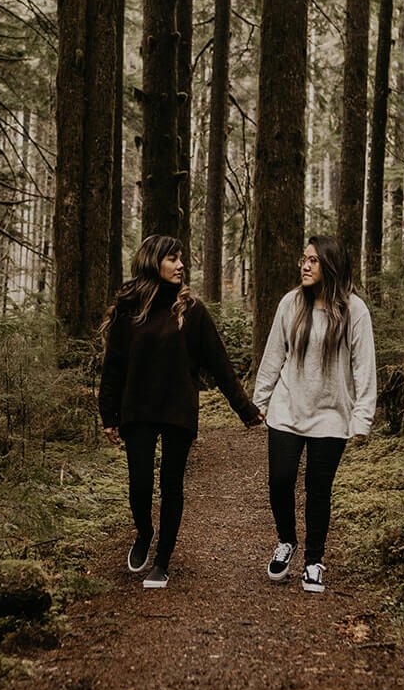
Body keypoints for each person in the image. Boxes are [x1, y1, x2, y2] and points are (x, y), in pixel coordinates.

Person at [99, 234, 262, 590]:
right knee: (139, 485)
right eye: (172, 258)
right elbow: (113, 366)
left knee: (171, 485)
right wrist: (108, 415)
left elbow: (220, 365)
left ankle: (163, 561)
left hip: (178, 410)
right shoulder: (128, 309)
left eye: (181, 258)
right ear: (152, 261)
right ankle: (144, 533)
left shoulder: (191, 310)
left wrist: (246, 410)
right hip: (138, 409)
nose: (180, 265)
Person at [253, 234, 376, 594]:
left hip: (331, 416)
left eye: (313, 261)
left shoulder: (355, 310)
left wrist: (362, 417)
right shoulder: (291, 303)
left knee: (318, 490)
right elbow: (274, 354)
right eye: (303, 260)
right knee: (280, 481)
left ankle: (314, 561)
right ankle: (286, 541)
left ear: (331, 265)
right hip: (287, 408)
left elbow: (363, 367)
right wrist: (259, 401)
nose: (305, 266)